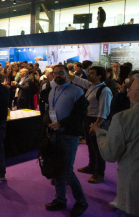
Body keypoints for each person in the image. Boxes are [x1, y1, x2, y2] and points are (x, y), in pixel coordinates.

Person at [91, 72, 139, 216]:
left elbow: (110, 154)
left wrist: (100, 133)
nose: (127, 95)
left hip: (136, 190)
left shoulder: (123, 118)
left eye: (131, 90)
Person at [45, 65, 89, 216]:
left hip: (69, 135)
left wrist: (61, 124)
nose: (58, 75)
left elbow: (80, 115)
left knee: (67, 171)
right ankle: (60, 199)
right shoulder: (52, 90)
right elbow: (49, 111)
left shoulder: (77, 91)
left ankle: (81, 202)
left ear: (67, 74)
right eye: (55, 73)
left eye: (61, 73)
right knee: (57, 168)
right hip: (55, 134)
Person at [70, 66, 113, 183]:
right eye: (89, 72)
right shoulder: (91, 86)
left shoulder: (104, 90)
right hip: (88, 119)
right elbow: (80, 81)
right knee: (90, 144)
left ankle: (99, 173)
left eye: (92, 73)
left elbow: (104, 110)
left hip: (97, 121)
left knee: (98, 148)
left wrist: (97, 124)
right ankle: (91, 166)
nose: (89, 75)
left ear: (100, 76)